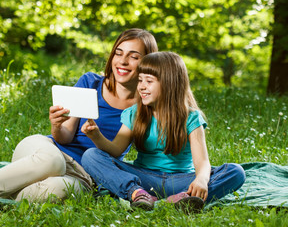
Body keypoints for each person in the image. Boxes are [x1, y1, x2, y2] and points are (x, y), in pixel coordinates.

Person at [0, 28, 158, 202]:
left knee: (52, 191)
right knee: (52, 162)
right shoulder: (91, 82)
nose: (123, 61)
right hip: (44, 153)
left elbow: (119, 151)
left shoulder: (143, 105)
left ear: (147, 62)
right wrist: (56, 126)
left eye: (133, 56)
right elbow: (64, 137)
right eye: (119, 53)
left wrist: (97, 136)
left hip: (85, 177)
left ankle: (5, 190)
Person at [81, 52, 246, 212]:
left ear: (169, 83)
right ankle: (137, 194)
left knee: (235, 172)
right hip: (144, 180)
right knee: (91, 156)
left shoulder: (191, 117)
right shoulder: (134, 113)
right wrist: (96, 136)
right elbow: (115, 150)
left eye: (149, 81)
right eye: (140, 80)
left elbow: (202, 163)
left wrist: (201, 180)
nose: (142, 87)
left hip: (181, 181)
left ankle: (176, 199)